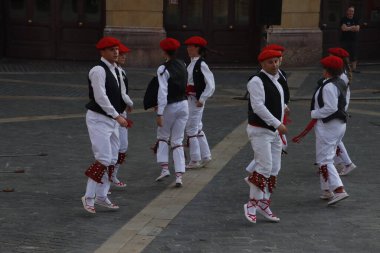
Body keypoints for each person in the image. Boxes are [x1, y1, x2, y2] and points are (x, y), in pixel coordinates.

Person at [81, 37, 132, 213]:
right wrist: (117, 115)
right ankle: (88, 197)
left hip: (111, 119)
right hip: (98, 118)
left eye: (117, 49)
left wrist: (126, 104)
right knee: (103, 158)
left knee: (112, 158)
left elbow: (120, 93)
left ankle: (102, 196)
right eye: (111, 49)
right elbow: (100, 97)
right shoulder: (98, 70)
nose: (116, 52)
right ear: (102, 52)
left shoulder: (116, 70)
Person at [243, 50, 287, 224]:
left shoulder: (276, 78)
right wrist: (278, 123)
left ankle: (264, 202)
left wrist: (283, 107)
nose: (274, 65)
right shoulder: (256, 81)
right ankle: (251, 204)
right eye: (270, 62)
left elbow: (277, 99)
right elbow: (258, 107)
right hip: (260, 130)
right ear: (262, 64)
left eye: (276, 61)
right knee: (264, 167)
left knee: (274, 168)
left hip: (273, 132)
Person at [311, 55, 349, 205]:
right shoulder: (339, 82)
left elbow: (331, 108)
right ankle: (326, 189)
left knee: (324, 159)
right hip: (337, 125)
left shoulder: (329, 86)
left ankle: (339, 189)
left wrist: (314, 113)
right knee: (327, 156)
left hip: (328, 126)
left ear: (327, 70)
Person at [154, 38, 189, 187]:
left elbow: (162, 92)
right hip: (184, 105)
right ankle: (179, 175)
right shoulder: (183, 64)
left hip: (170, 106)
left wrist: (159, 113)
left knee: (162, 136)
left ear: (163, 51)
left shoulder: (163, 68)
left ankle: (164, 168)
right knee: (178, 140)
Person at [183, 36, 215, 169]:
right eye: (188, 46)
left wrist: (202, 99)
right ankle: (206, 155)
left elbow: (211, 84)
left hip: (196, 100)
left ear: (198, 48)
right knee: (197, 127)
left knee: (191, 129)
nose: (188, 49)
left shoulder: (201, 64)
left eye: (191, 46)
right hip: (190, 98)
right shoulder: (191, 63)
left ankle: (195, 159)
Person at [327, 47, 357, 177]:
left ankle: (347, 163)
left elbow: (337, 95)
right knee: (334, 138)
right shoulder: (342, 73)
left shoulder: (341, 75)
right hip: (339, 108)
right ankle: (335, 162)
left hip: (338, 110)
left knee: (335, 139)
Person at [111, 43, 134, 188]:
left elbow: (123, 91)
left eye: (125, 54)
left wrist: (128, 103)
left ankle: (113, 175)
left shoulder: (121, 71)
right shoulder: (113, 71)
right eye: (121, 54)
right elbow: (121, 92)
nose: (124, 57)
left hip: (121, 112)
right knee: (111, 150)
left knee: (123, 146)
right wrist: (129, 102)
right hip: (113, 113)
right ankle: (104, 182)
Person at [340, 6, 360, 73]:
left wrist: (348, 28)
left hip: (354, 40)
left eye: (352, 11)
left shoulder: (356, 19)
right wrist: (352, 27)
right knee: (345, 54)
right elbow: (343, 29)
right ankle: (347, 69)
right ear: (347, 12)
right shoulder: (343, 19)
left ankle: (354, 69)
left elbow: (357, 29)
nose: (351, 12)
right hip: (345, 40)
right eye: (350, 11)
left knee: (354, 54)